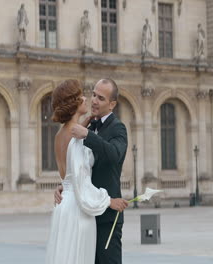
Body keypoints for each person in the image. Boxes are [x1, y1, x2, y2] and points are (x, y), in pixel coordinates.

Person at [46, 79, 128, 264]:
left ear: (112, 104)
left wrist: (67, 185)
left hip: (96, 214)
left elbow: (114, 154)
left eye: (100, 97)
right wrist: (109, 201)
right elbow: (79, 178)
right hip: (83, 209)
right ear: (73, 103)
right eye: (92, 95)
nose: (91, 100)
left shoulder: (115, 128)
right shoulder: (79, 133)